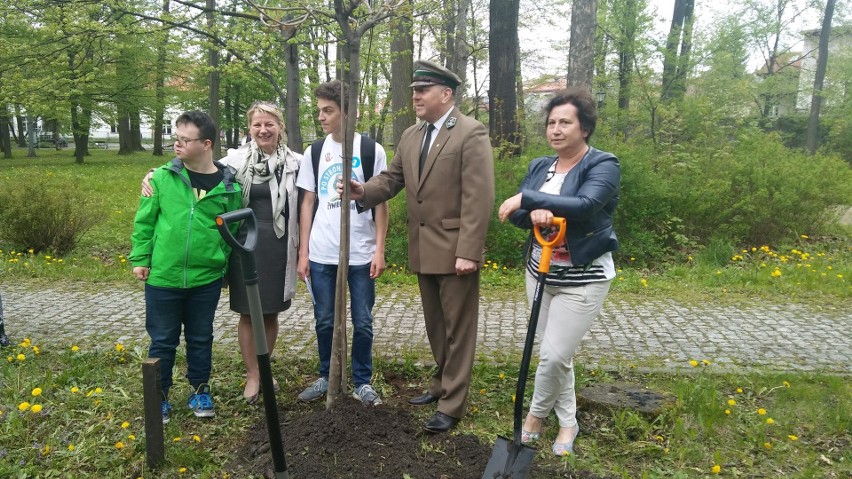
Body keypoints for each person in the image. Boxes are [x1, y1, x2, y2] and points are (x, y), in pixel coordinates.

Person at [344, 60, 495, 432]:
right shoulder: (412, 135)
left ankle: (453, 403)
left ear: (446, 94)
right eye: (413, 90)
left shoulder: (470, 133)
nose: (415, 96)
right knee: (436, 325)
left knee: (459, 329)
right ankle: (442, 384)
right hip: (423, 247)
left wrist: (469, 250)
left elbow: (479, 197)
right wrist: (364, 191)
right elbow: (393, 178)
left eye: (422, 90)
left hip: (456, 248)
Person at [142, 102, 301, 405]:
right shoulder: (236, 159)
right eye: (257, 124)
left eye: (269, 124)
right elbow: (194, 161)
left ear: (280, 126)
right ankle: (253, 374)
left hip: (279, 245)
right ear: (249, 129)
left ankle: (266, 371)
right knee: (247, 312)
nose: (263, 130)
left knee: (271, 311)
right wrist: (152, 173)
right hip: (243, 244)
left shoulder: (297, 162)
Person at [497, 87, 620, 456]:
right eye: (551, 122)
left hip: (582, 279)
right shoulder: (540, 166)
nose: (556, 129)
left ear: (584, 127)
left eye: (565, 122)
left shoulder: (603, 164)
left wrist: (529, 199)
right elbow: (516, 216)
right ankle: (568, 421)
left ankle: (535, 417)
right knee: (556, 354)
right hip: (540, 272)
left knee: (552, 356)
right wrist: (531, 210)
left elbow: (585, 205)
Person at [130, 110, 243, 423]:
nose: (176, 144)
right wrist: (141, 257)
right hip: (163, 278)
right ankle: (160, 396)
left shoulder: (229, 185)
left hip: (205, 279)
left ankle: (200, 389)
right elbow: (145, 221)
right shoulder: (162, 178)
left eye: (184, 139)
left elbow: (231, 229)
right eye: (175, 138)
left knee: (200, 337)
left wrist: (220, 261)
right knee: (163, 339)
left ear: (206, 144)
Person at [295, 80, 389, 406]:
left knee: (362, 320)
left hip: (361, 253)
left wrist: (379, 249)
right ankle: (327, 375)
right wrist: (304, 251)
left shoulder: (371, 151)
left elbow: (381, 204)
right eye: (319, 110)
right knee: (324, 318)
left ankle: (362, 381)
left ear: (347, 113)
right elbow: (307, 202)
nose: (321, 117)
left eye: (328, 111)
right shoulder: (315, 151)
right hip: (322, 252)